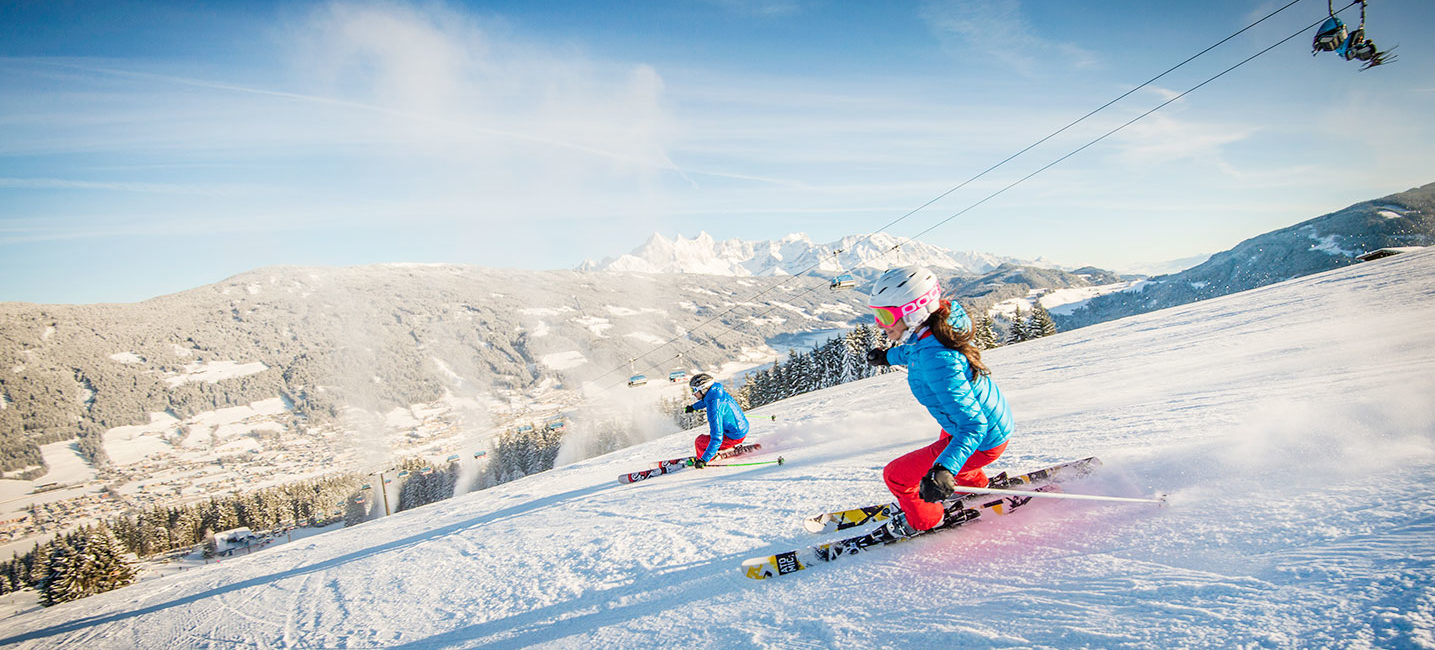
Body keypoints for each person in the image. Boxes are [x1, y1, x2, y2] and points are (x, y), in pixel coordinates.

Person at [865, 266, 1013, 533]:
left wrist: (943, 469)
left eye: (885, 315)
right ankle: (975, 485)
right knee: (947, 443)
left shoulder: (938, 360)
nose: (879, 323)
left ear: (913, 312)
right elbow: (916, 353)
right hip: (989, 421)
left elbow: (973, 427)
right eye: (876, 314)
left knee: (896, 476)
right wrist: (888, 357)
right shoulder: (935, 330)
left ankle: (924, 519)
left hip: (982, 437)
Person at [683, 373, 750, 468]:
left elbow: (717, 437)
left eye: (694, 390)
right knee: (708, 439)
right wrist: (693, 407)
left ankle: (709, 458)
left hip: (734, 436)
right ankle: (716, 452)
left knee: (700, 442)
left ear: (703, 389)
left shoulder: (714, 408)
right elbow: (707, 401)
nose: (693, 393)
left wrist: (703, 460)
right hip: (741, 428)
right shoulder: (717, 393)